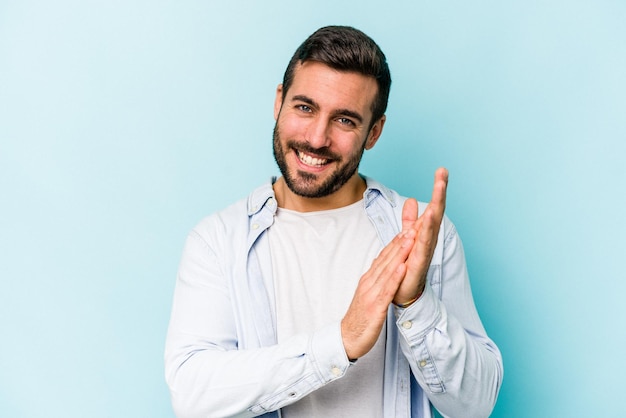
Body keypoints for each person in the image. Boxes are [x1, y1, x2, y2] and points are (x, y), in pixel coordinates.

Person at [165, 25, 503, 418]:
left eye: (344, 120)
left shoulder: (421, 236)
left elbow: (476, 406)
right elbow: (192, 395)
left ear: (373, 132)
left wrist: (415, 303)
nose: (317, 137)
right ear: (279, 102)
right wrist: (340, 342)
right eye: (304, 108)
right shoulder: (219, 240)